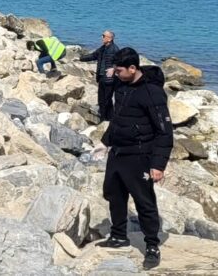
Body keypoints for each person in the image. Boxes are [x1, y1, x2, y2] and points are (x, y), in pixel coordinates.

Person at [99, 47, 173, 270]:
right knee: (113, 193)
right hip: (118, 150)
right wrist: (105, 142)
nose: (117, 73)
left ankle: (152, 245)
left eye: (119, 70)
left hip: (140, 155)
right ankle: (119, 235)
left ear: (133, 68)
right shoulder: (121, 85)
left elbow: (165, 131)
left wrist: (158, 165)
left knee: (144, 201)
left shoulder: (152, 92)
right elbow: (113, 113)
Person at [80, 30, 120, 121]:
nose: (102, 37)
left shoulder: (115, 49)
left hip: (110, 79)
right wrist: (81, 58)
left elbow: (121, 61)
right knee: (101, 100)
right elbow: (93, 55)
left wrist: (113, 68)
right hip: (101, 77)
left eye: (103, 36)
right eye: (102, 35)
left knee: (106, 100)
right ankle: (105, 119)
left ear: (109, 39)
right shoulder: (103, 48)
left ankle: (106, 119)